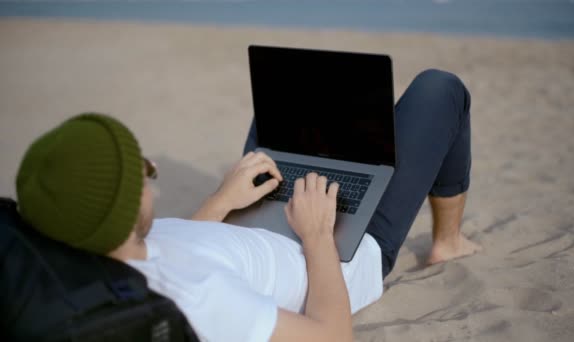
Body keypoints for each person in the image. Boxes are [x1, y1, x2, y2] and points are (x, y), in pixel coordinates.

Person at [15, 69, 481, 342]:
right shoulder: (196, 298)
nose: (152, 165)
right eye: (144, 171)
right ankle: (447, 242)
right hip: (342, 254)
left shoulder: (109, 251)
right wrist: (318, 235)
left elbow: (179, 245)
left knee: (281, 105)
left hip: (258, 218)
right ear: (118, 209)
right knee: (439, 90)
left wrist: (222, 200)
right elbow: (330, 334)